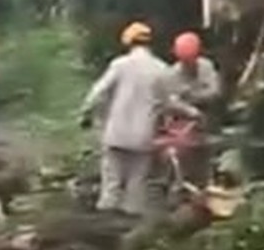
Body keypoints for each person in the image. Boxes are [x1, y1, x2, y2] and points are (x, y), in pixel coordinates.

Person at [79, 22, 191, 215]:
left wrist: (86, 113)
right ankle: (130, 225)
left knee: (111, 184)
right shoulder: (160, 69)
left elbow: (98, 92)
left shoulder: (119, 65)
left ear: (128, 42)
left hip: (116, 134)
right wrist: (192, 112)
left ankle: (105, 221)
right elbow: (169, 102)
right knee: (136, 187)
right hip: (143, 136)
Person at [171, 31, 222, 110]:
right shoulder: (173, 73)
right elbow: (172, 100)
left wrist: (193, 96)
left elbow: (215, 92)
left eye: (191, 59)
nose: (188, 64)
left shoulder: (206, 66)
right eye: (185, 61)